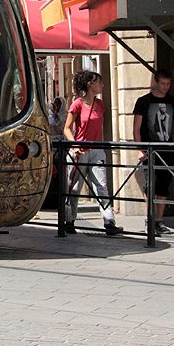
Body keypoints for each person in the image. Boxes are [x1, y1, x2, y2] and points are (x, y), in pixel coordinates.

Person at [63, 70, 123, 236]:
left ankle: (109, 221)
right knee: (75, 188)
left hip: (97, 150)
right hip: (79, 150)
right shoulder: (77, 104)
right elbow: (67, 128)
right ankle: (69, 220)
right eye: (99, 82)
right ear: (90, 84)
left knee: (101, 186)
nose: (102, 85)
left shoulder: (100, 105)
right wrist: (74, 145)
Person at [132, 69, 174, 234]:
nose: (165, 87)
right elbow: (136, 129)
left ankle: (160, 220)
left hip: (167, 149)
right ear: (156, 82)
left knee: (164, 186)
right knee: (150, 186)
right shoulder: (143, 101)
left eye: (168, 84)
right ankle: (149, 219)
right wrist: (139, 149)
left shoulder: (173, 101)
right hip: (149, 150)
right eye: (162, 83)